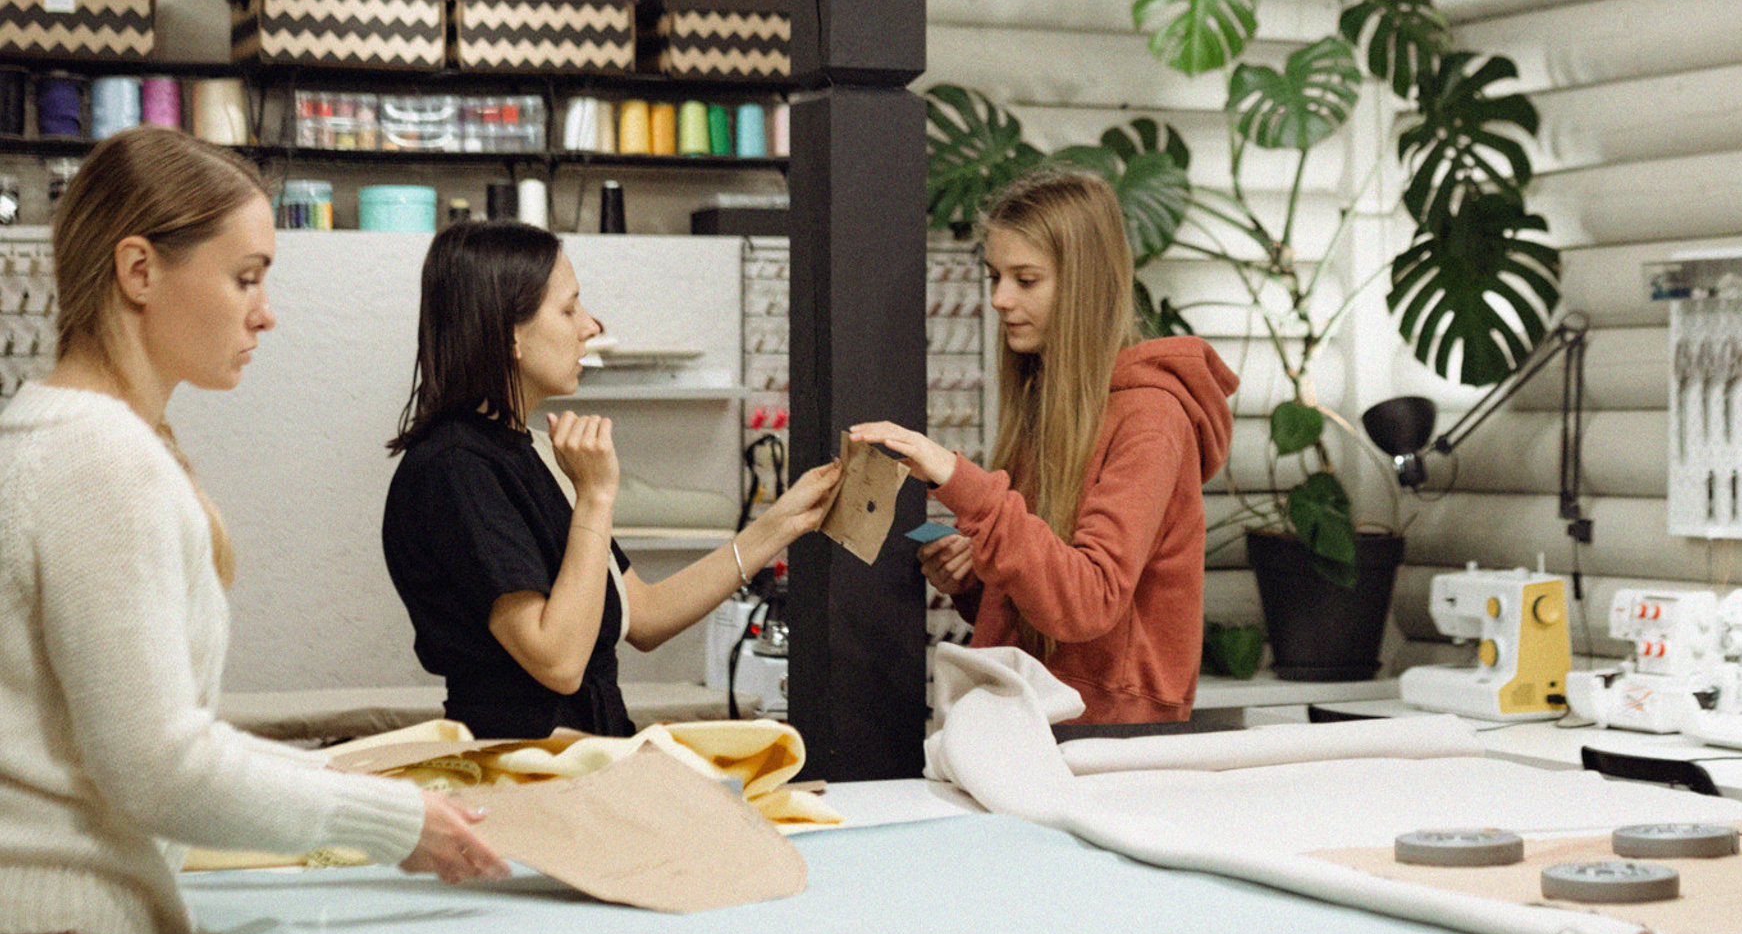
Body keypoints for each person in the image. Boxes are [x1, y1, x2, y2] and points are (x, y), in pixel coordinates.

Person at [0, 128, 504, 934]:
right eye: (246, 276)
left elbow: (140, 737)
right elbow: (156, 763)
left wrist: (360, 777)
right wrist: (393, 821)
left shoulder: (49, 436)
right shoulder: (98, 459)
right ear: (139, 270)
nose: (264, 311)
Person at [382, 220, 841, 740]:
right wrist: (596, 497)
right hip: (526, 777)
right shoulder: (455, 469)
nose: (591, 325)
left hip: (590, 757)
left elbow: (641, 615)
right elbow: (557, 661)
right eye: (569, 308)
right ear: (509, 332)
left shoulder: (524, 450)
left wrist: (778, 526)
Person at [849, 168, 1236, 724]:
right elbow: (1045, 588)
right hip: (1033, 717)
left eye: (1025, 280)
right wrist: (976, 578)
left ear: (1086, 283)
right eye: (995, 276)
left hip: (1105, 741)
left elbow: (1088, 601)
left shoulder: (1151, 418)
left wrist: (963, 483)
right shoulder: (1047, 404)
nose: (1000, 299)